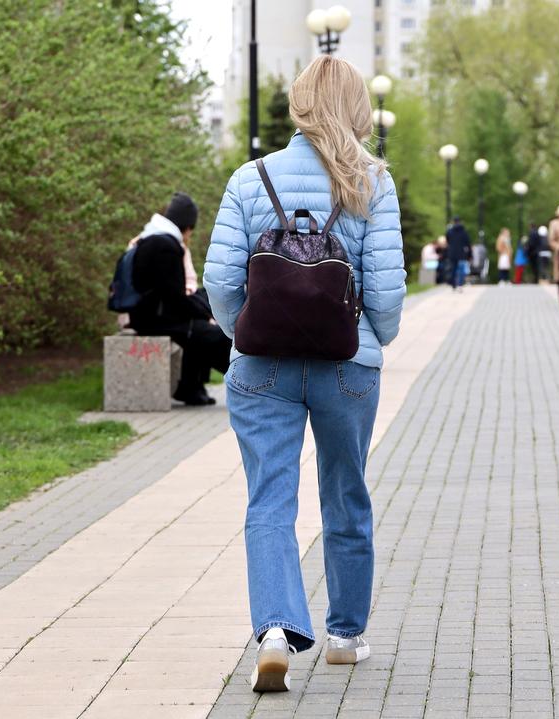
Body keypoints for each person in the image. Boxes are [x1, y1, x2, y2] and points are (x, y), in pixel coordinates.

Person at [203, 55, 406, 692]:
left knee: (269, 498)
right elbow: (387, 291)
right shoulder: (372, 181)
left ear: (297, 105)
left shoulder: (249, 177)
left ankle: (274, 631)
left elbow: (217, 278)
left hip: (261, 365)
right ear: (356, 109)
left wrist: (245, 330)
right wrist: (373, 337)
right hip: (348, 364)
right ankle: (345, 637)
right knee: (346, 491)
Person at [128, 192, 232, 406]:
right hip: (154, 319)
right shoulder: (166, 246)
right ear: (186, 227)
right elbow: (175, 296)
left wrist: (204, 311)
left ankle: (191, 387)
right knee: (211, 335)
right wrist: (205, 314)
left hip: (149, 314)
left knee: (200, 327)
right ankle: (239, 381)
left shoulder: (153, 239)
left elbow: (173, 293)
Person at [446, 216, 471, 292]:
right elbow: (468, 243)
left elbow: (448, 241)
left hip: (452, 253)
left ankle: (453, 285)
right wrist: (470, 254)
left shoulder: (450, 231)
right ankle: (460, 285)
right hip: (461, 253)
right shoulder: (464, 232)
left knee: (453, 269)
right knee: (461, 269)